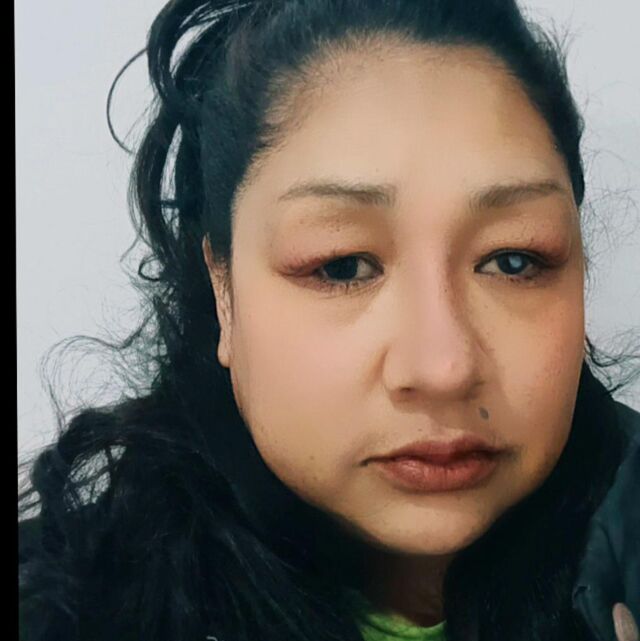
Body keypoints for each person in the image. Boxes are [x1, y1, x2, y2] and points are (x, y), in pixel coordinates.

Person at [17, 1, 640, 640]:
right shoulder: (69, 609)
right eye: (343, 266)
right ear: (223, 289)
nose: (443, 368)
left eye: (514, 260)